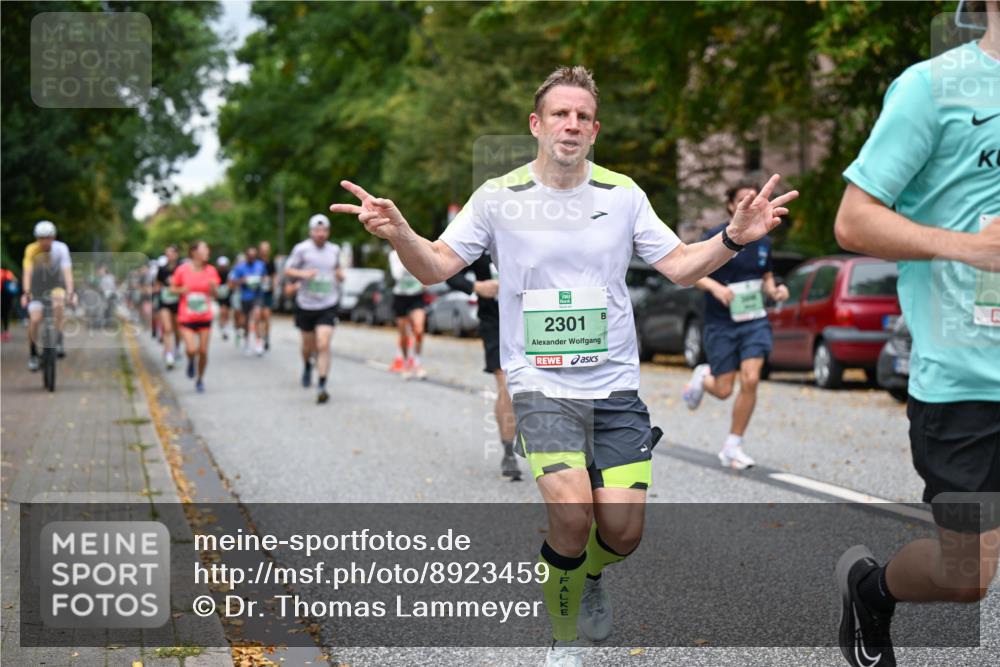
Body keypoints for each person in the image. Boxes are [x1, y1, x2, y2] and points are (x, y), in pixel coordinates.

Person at [331, 66, 796, 666]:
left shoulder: (623, 194)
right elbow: (437, 265)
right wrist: (400, 234)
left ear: (594, 129)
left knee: (623, 534)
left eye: (582, 116)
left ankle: (584, 574)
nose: (571, 124)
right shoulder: (499, 197)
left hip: (614, 387)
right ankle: (564, 638)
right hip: (540, 384)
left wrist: (732, 238)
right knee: (572, 516)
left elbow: (680, 265)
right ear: (537, 124)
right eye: (560, 114)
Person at [831, 4, 1000, 666]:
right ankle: (869, 588)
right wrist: (966, 247)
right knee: (967, 576)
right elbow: (854, 221)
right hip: (966, 380)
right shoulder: (932, 87)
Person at [681, 181, 790, 469]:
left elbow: (765, 276)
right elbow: (691, 272)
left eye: (754, 199)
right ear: (731, 205)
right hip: (721, 322)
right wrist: (716, 289)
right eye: (743, 199)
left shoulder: (764, 240)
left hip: (753, 320)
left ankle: (733, 445)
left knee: (752, 378)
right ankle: (703, 376)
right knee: (724, 389)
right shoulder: (715, 235)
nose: (750, 203)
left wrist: (775, 290)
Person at [446, 253, 522, 480]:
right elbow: (449, 273)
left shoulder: (528, 237)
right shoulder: (481, 242)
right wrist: (476, 286)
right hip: (494, 323)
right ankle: (509, 452)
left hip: (531, 320)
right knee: (506, 385)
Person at [284, 214, 344, 404]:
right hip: (306, 304)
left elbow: (337, 269)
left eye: (324, 230)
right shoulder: (301, 249)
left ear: (328, 232)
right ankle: (307, 366)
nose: (321, 234)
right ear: (311, 232)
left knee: (323, 344)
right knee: (308, 346)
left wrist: (340, 275)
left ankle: (322, 384)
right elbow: (288, 270)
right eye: (317, 230)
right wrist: (304, 274)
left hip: (328, 303)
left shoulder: (334, 250)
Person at [21, 220, 75, 371]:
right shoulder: (31, 250)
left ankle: (58, 340)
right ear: (36, 238)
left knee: (59, 304)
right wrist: (26, 292)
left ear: (54, 237)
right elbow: (27, 273)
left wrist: (71, 292)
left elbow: (67, 273)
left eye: (48, 237)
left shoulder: (61, 249)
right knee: (35, 318)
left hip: (55, 284)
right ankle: (33, 354)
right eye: (41, 238)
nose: (45, 241)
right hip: (37, 286)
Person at [170, 241, 221, 393]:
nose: (207, 251)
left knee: (204, 352)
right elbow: (172, 288)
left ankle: (200, 379)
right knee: (192, 349)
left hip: (205, 316)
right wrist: (181, 290)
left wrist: (213, 288)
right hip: (187, 317)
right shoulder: (182, 270)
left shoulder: (211, 270)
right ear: (194, 252)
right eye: (204, 248)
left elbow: (216, 295)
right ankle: (191, 360)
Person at [388, 248, 429, 379]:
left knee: (419, 330)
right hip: (400, 297)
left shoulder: (417, 250)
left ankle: (417, 363)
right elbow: (397, 275)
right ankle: (406, 363)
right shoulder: (394, 255)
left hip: (416, 296)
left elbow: (425, 270)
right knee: (404, 335)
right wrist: (408, 258)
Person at [230, 245, 267, 356]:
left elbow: (265, 278)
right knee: (245, 321)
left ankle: (258, 342)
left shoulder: (260, 265)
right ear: (246, 256)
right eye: (249, 255)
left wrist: (261, 280)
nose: (251, 257)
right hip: (245, 296)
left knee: (257, 316)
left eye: (253, 255)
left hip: (257, 295)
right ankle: (246, 342)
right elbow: (233, 282)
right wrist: (243, 280)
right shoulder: (240, 267)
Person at [155, 245, 181, 369]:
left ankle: (177, 347)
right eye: (167, 253)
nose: (169, 256)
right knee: (167, 328)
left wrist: (176, 288)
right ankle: (169, 354)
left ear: (176, 254)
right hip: (164, 301)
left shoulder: (181, 269)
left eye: (171, 253)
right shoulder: (162, 269)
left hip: (178, 302)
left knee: (177, 328)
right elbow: (158, 284)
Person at [258, 240, 277, 351]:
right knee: (259, 316)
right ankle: (259, 337)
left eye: (266, 249)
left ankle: (266, 337)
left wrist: (273, 286)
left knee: (266, 316)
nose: (264, 251)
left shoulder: (271, 262)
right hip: (257, 293)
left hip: (268, 292)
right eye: (263, 249)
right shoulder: (256, 262)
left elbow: (274, 276)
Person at [215, 256, 232, 340]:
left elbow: (231, 282)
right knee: (222, 310)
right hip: (220, 294)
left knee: (227, 312)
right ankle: (222, 326)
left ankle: (225, 326)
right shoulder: (216, 272)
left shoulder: (229, 272)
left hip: (228, 294)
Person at [1, 266, 18, 343]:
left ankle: (4, 332)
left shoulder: (4, 273)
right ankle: (6, 332)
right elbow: (15, 282)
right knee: (6, 316)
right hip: (8, 299)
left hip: (4, 298)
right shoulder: (8, 273)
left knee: (3, 315)